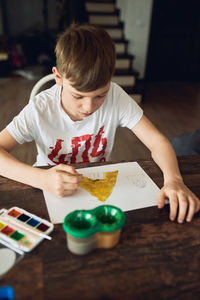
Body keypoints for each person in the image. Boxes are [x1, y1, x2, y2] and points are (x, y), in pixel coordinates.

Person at [0, 23, 199, 224]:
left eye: (100, 95)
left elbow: (157, 141)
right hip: (47, 188)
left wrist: (174, 180)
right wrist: (40, 179)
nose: (88, 107)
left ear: (110, 79)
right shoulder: (40, 109)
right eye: (78, 96)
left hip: (95, 184)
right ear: (58, 77)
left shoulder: (116, 96)